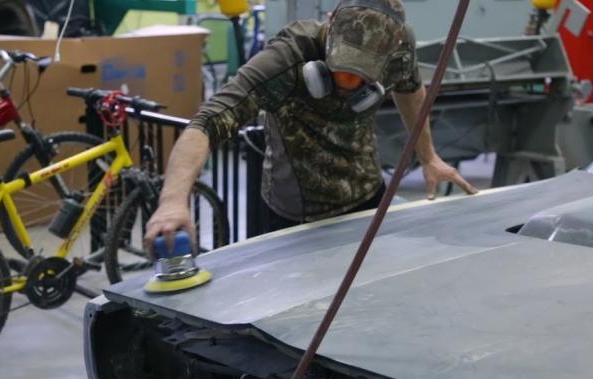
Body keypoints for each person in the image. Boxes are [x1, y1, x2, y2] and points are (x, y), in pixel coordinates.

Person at [144, 0, 477, 252]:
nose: (349, 84)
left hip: (366, 194)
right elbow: (208, 121)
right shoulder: (289, 54)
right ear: (330, 26)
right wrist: (172, 200)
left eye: (361, 76)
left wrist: (429, 156)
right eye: (344, 70)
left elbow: (411, 90)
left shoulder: (399, 46)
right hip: (296, 214)